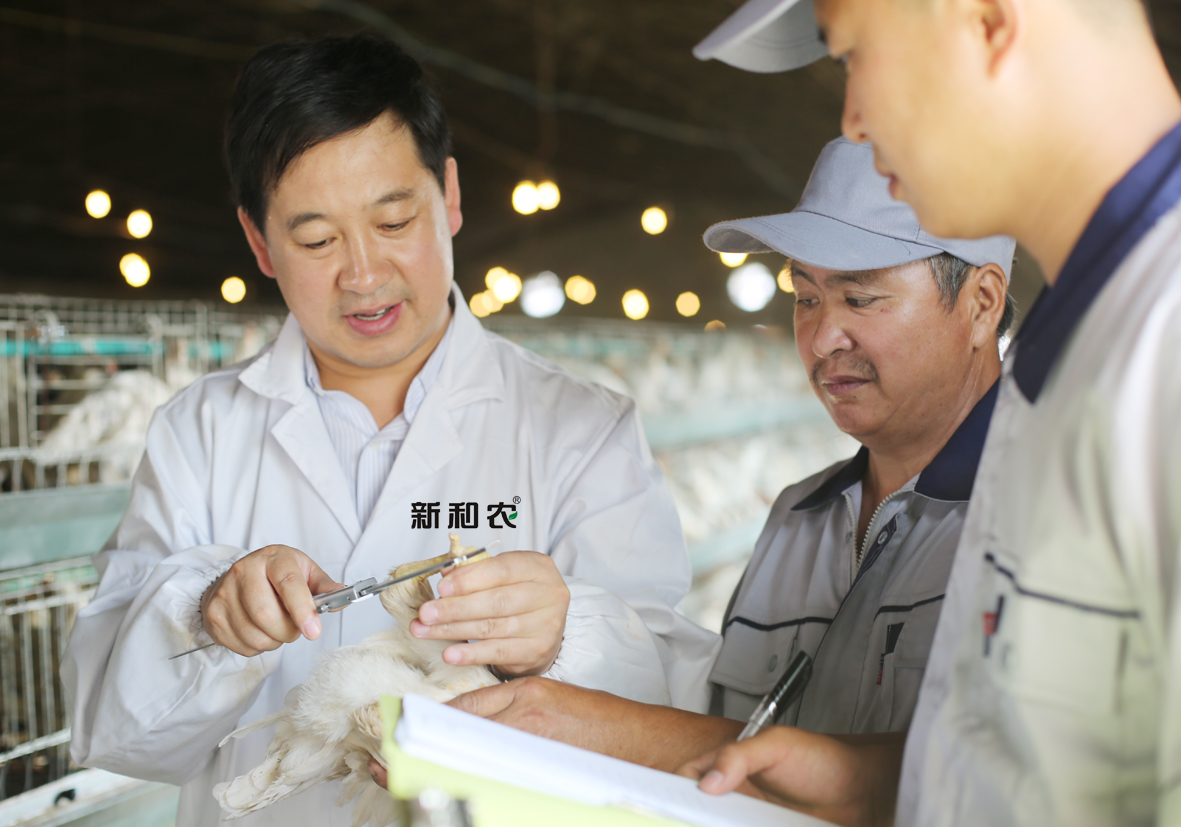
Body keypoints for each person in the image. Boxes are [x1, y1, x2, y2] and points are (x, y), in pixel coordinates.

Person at [61, 32, 714, 827]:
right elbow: (108, 728)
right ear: (259, 242)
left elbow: (677, 710)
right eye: (316, 240)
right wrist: (207, 617)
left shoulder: (579, 429)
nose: (364, 274)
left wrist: (563, 636)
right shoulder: (200, 432)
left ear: (450, 197)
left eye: (394, 220)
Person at [683, 1, 1181, 826]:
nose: (851, 118)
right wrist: (858, 782)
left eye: (854, 54)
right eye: (805, 296)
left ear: (987, 19)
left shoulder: (1154, 340)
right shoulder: (1075, 356)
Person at [435, 136, 1015, 782]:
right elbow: (724, 730)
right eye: (805, 298)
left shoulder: (1037, 520)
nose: (823, 338)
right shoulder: (798, 519)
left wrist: (604, 726)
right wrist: (563, 657)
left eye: (859, 298)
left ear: (981, 303)